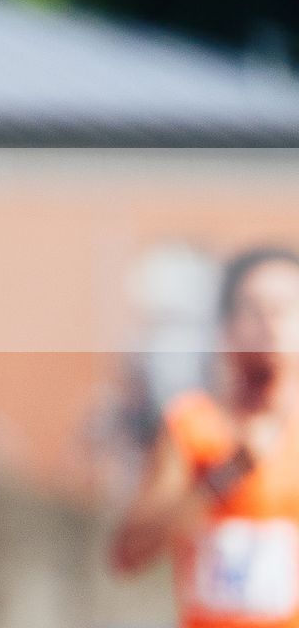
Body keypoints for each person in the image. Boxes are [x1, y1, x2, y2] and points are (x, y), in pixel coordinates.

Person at [113, 247, 299, 628]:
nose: (270, 322)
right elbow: (128, 553)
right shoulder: (193, 426)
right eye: (256, 309)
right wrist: (220, 481)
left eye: (284, 307)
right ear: (227, 327)